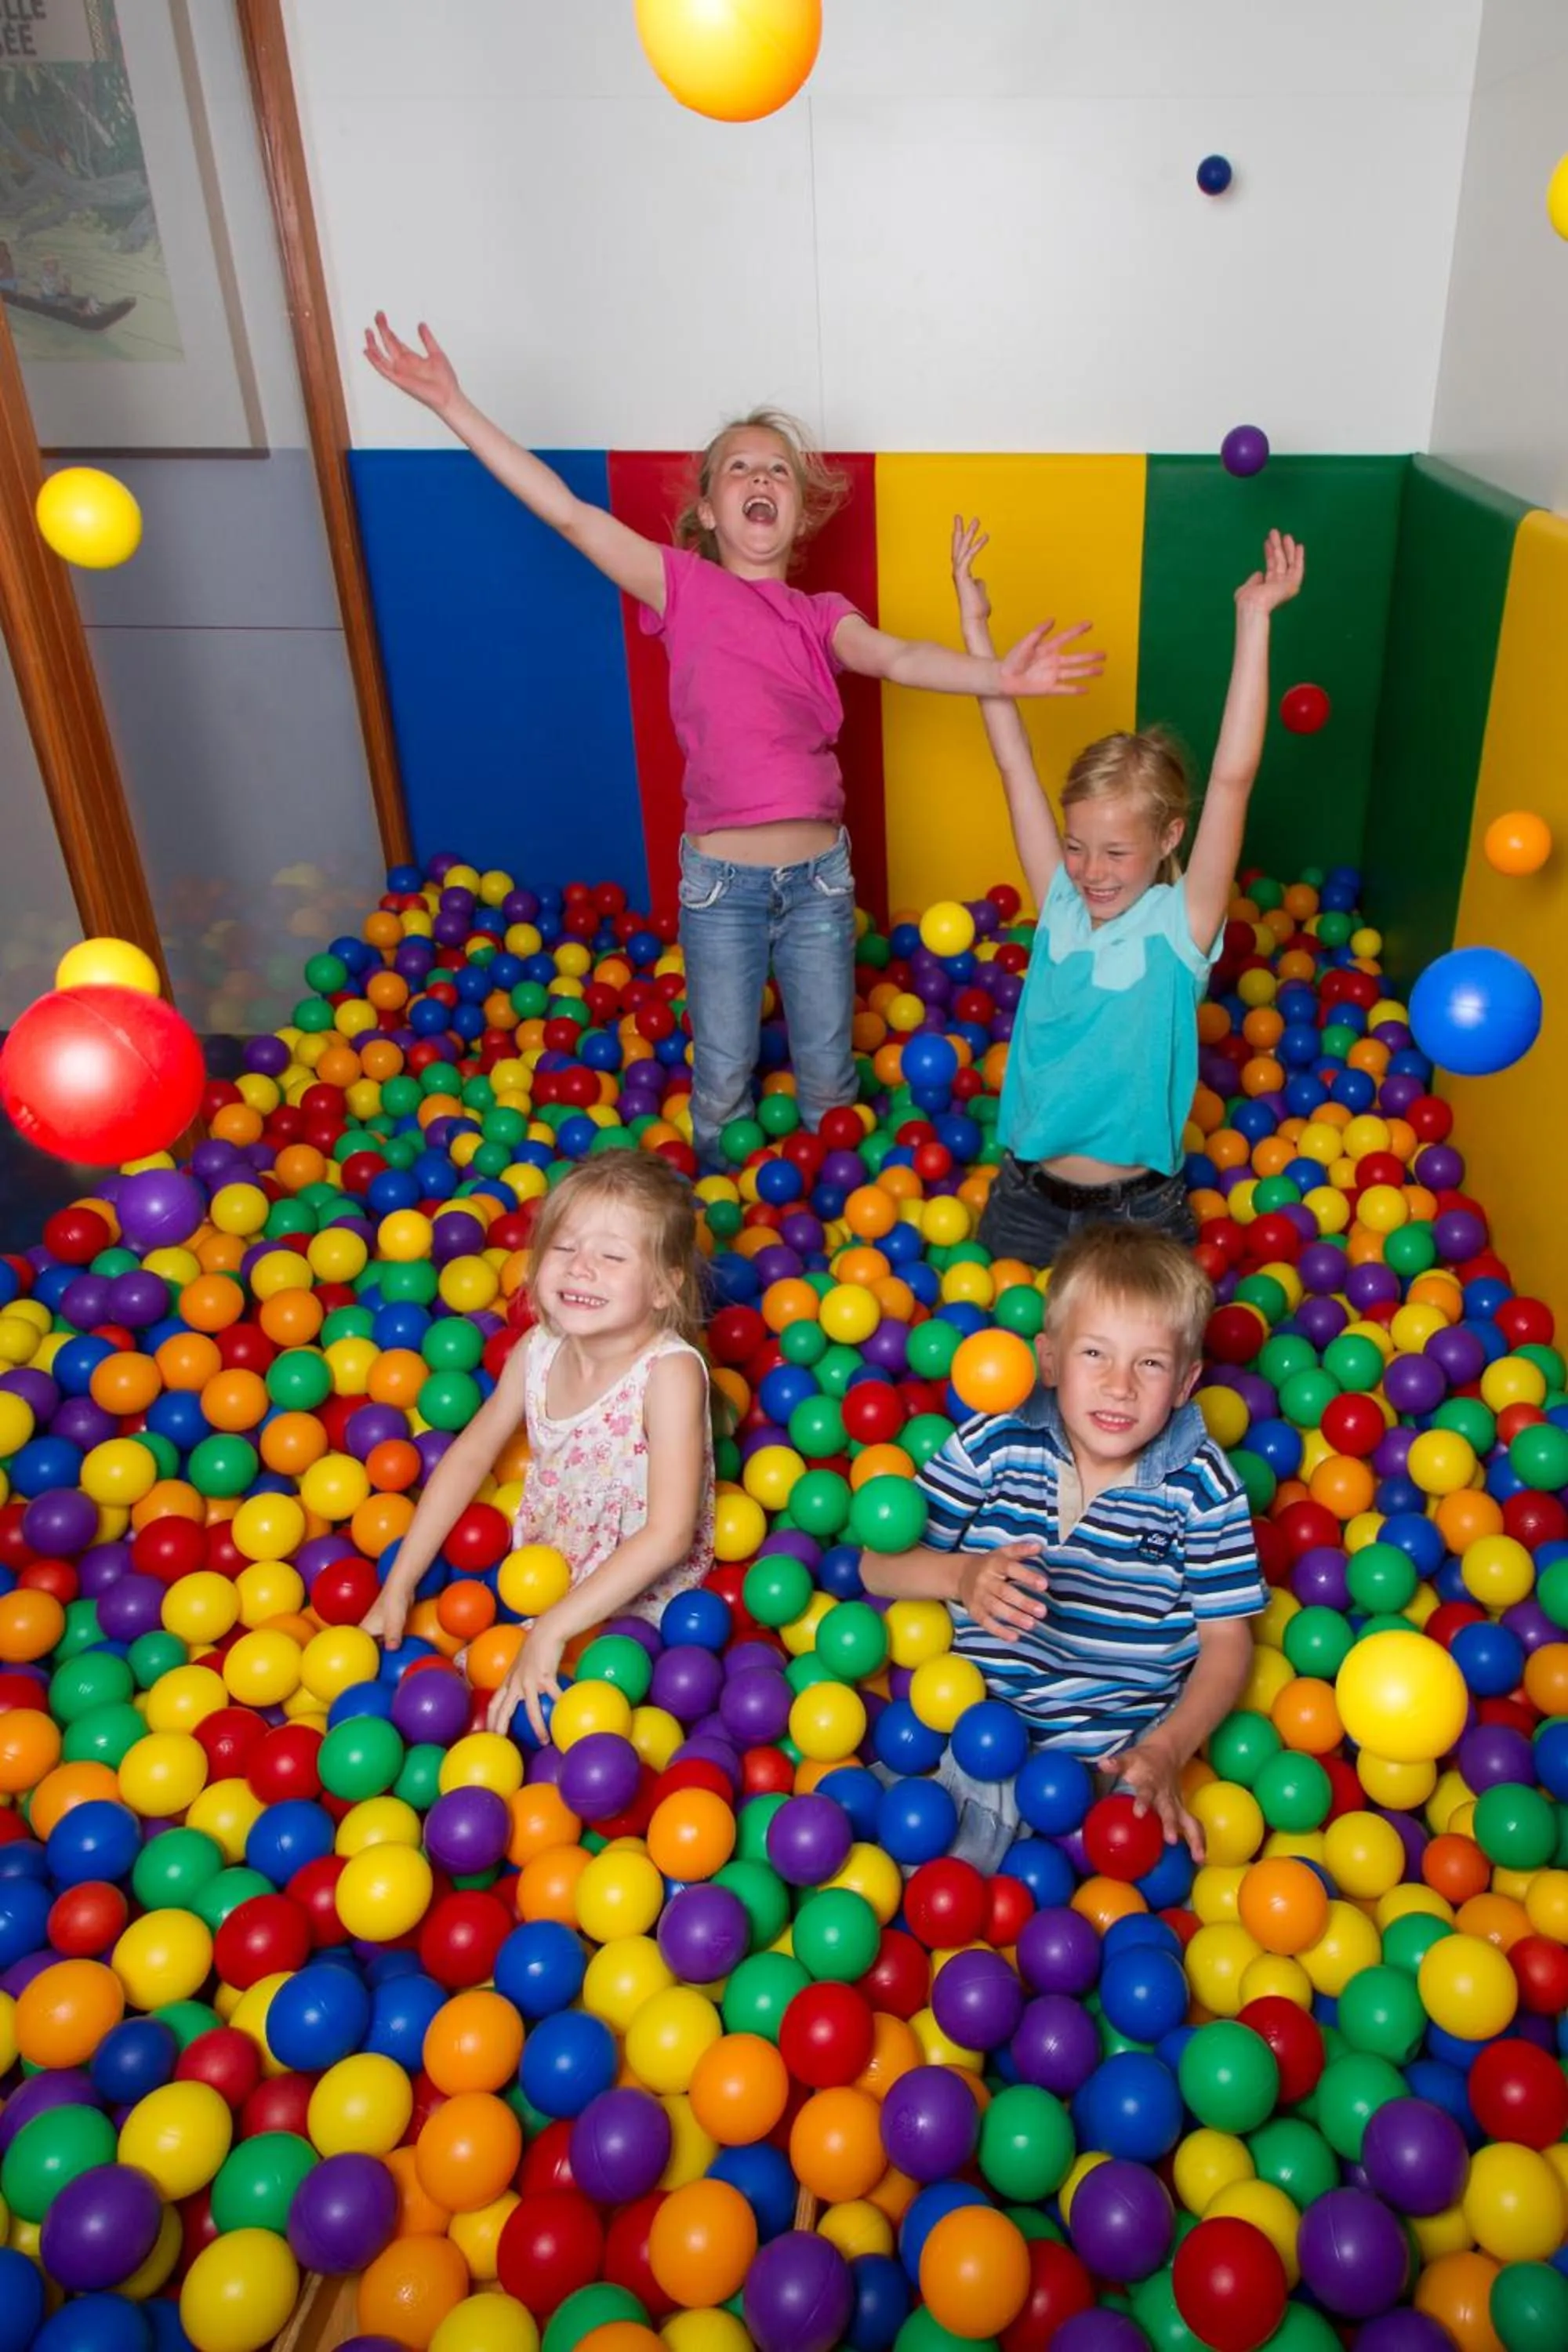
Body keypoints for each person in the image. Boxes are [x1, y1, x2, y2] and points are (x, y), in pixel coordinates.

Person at [362, 314, 1105, 1163]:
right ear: (709, 510)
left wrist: (996, 674)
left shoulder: (822, 617)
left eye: (778, 470)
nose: (761, 477)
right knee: (720, 1076)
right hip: (720, 889)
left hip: (820, 883)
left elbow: (897, 656)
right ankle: (713, 1195)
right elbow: (568, 515)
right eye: (740, 468)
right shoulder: (680, 586)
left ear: (799, 512)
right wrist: (453, 405)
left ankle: (831, 1220)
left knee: (829, 1079)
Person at [950, 517, 1305, 1269]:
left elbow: (1233, 779)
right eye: (1077, 847)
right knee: (1001, 1341)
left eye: (1117, 852)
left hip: (1138, 1211)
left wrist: (1254, 619)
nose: (1092, 870)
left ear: (1170, 837)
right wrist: (976, 627)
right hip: (1025, 1200)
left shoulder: (1181, 926)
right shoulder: (1059, 903)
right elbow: (1013, 763)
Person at [859, 1224, 1265, 1863]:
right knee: (918, 1853)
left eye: (1150, 1363)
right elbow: (877, 1567)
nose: (1120, 1385)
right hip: (972, 1732)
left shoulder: (1205, 1488)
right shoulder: (994, 1444)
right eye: (1095, 1354)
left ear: (1186, 1383)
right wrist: (962, 1576)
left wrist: (1168, 1750)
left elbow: (1227, 1642)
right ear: (1049, 1361)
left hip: (1115, 1762)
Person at [361, 1155, 715, 1742]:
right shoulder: (537, 1350)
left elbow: (668, 1535)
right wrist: (399, 1582)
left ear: (663, 1287)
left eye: (612, 1257)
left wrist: (551, 1628)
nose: (580, 1268)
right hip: (545, 1563)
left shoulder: (669, 1374)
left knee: (572, 1716)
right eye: (564, 1247)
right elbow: (470, 1456)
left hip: (641, 1589)